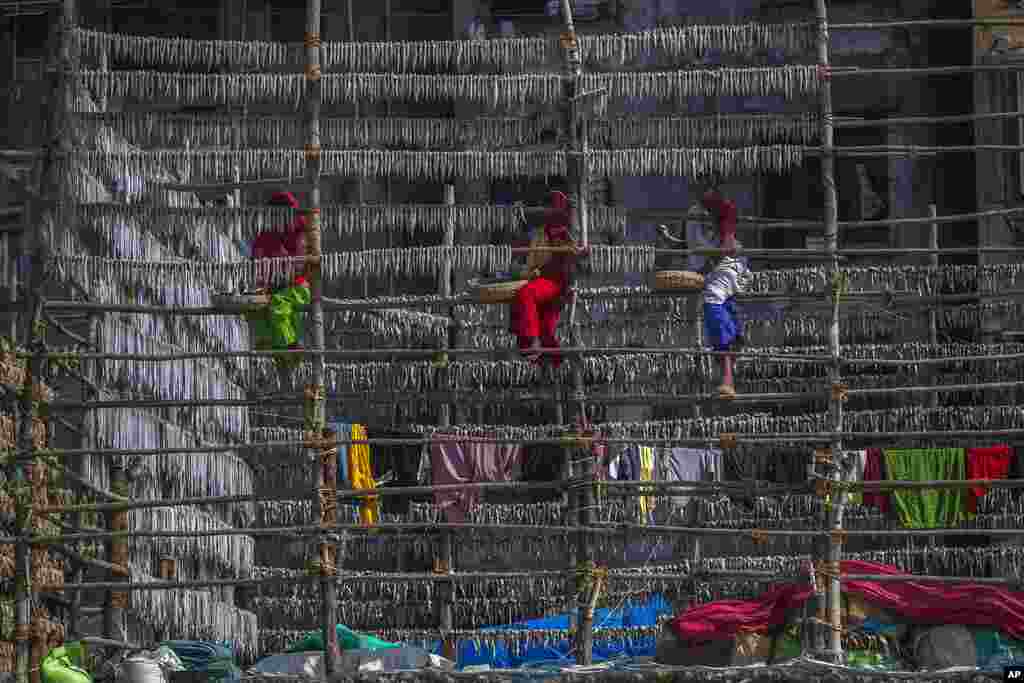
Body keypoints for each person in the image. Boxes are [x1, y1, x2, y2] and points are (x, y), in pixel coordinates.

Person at [510, 190, 588, 365]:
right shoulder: (540, 233)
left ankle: (531, 342)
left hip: (556, 284)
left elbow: (574, 257)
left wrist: (580, 252)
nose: (546, 212)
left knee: (526, 294)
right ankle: (555, 365)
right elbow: (531, 262)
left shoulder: (564, 231)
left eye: (549, 208)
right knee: (546, 331)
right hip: (542, 283)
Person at [700, 188, 750, 400]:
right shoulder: (717, 229)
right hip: (731, 276)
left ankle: (728, 379)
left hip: (727, 276)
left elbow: (728, 247)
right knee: (726, 332)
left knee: (718, 327)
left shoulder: (725, 223)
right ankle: (728, 379)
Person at [249, 191, 311, 354]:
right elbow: (257, 262)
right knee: (255, 303)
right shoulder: (266, 237)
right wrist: (263, 283)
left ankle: (291, 345)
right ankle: (266, 342)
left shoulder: (301, 235)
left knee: (279, 304)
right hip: (272, 288)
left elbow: (300, 266)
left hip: (297, 288)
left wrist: (282, 274)